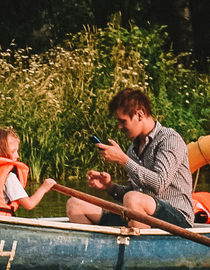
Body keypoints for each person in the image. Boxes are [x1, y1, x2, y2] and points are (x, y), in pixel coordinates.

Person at [65, 88, 195, 231]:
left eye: (123, 121)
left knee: (133, 199)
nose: (119, 127)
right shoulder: (133, 149)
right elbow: (133, 194)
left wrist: (123, 160)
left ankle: (139, 245)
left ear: (140, 114)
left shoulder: (169, 139)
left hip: (177, 217)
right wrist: (109, 187)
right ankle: (99, 246)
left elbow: (159, 183)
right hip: (140, 215)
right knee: (75, 204)